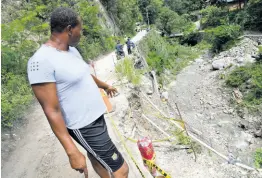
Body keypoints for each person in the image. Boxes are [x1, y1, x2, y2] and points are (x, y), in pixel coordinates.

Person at [27, 7, 129, 178]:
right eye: (79, 29)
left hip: (96, 117)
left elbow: (84, 75)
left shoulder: (71, 50)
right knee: (122, 170)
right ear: (69, 29)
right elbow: (51, 110)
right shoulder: (40, 61)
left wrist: (105, 86)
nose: (81, 34)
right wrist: (71, 151)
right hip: (84, 125)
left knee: (96, 157)